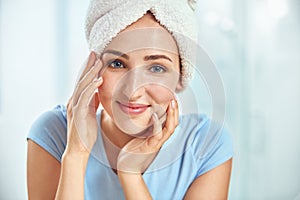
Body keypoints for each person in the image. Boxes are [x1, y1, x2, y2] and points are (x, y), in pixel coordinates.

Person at [27, 0, 233, 199]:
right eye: (117, 64)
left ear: (180, 77)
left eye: (156, 68)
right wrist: (75, 155)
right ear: (94, 68)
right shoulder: (53, 133)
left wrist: (130, 173)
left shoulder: (206, 145)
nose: (133, 91)